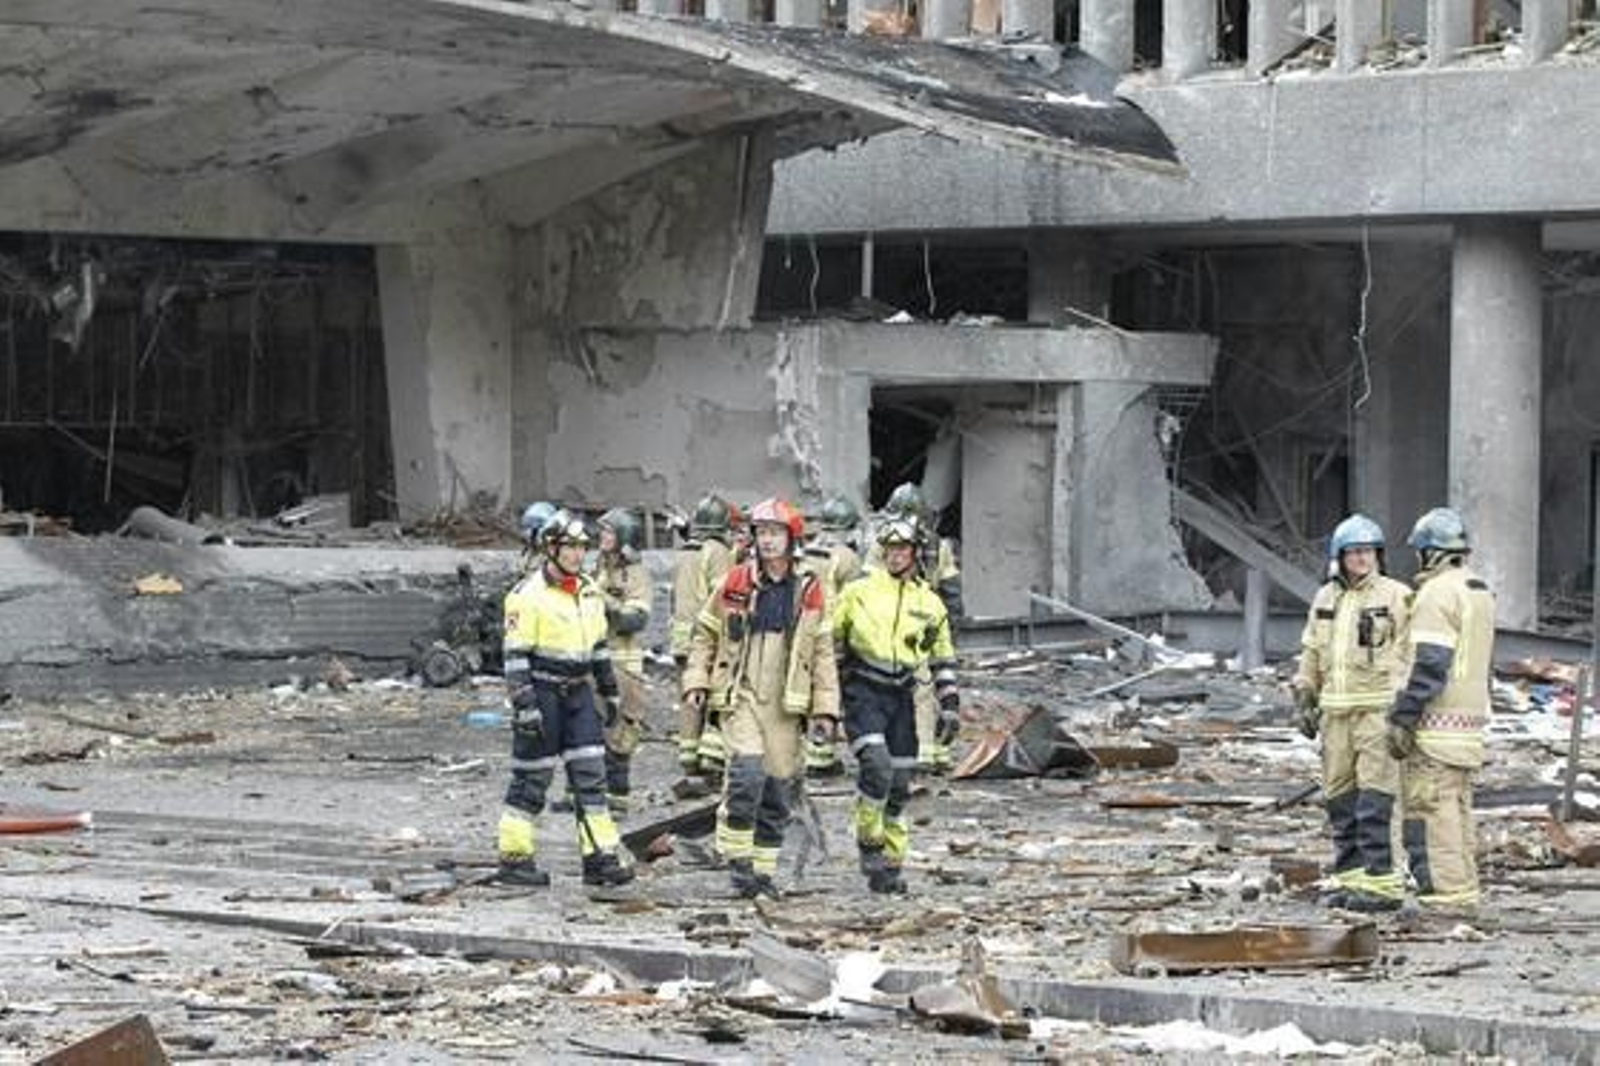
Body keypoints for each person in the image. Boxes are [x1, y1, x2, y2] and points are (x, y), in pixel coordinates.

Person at [681, 498, 839, 898]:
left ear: (791, 539)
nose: (767, 541)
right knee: (746, 775)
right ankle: (737, 864)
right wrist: (696, 681)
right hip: (742, 695)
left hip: (786, 705)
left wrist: (825, 709)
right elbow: (705, 635)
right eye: (762, 533)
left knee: (777, 792)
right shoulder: (735, 582)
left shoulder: (809, 590)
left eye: (775, 533)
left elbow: (822, 653)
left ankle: (762, 873)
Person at [495, 509, 634, 888]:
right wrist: (525, 706)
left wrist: (609, 692)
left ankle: (600, 858)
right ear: (551, 548)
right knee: (531, 780)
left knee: (591, 779)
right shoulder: (526, 596)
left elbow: (599, 648)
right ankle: (514, 860)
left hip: (578, 693)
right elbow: (515, 658)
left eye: (582, 547)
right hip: (542, 693)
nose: (577, 554)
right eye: (569, 547)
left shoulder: (588, 590)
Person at [1291, 514, 1412, 912]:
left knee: (1376, 801)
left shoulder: (1396, 596)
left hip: (1376, 713)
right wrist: (1304, 693)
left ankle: (1382, 887)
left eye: (1368, 551)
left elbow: (1407, 654)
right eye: (1354, 552)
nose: (1362, 558)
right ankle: (1352, 883)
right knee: (1340, 802)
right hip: (1335, 716)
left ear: (1379, 555)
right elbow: (1312, 650)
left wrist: (1402, 709)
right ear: (1340, 557)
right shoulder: (1326, 598)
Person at [833, 513, 960, 894]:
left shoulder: (930, 603)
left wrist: (949, 704)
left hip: (902, 693)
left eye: (902, 549)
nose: (895, 555)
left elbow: (942, 656)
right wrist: (826, 697)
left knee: (900, 784)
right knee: (877, 767)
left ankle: (890, 864)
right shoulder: (859, 592)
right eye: (889, 549)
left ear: (915, 553)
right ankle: (868, 842)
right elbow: (830, 641)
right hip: (863, 690)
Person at [1387, 507, 1495, 913]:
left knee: (1430, 816)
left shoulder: (1437, 593)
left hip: (1435, 729)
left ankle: (1445, 900)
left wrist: (1404, 717)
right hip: (1467, 728)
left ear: (1430, 552)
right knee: (1456, 813)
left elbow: (1429, 662)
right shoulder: (1478, 590)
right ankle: (1462, 892)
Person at [869, 482, 963, 773]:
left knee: (914, 688)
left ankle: (921, 751)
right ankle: (929, 751)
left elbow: (867, 591)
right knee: (927, 686)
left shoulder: (883, 545)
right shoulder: (937, 547)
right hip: (914, 623)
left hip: (907, 624)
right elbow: (951, 595)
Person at [670, 494, 736, 782]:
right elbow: (724, 597)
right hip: (706, 635)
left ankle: (688, 756)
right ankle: (711, 758)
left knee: (689, 695)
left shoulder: (686, 551)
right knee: (714, 694)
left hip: (681, 637)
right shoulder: (718, 552)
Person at [594, 507, 652, 815]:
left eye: (609, 531)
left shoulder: (635, 574)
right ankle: (585, 795)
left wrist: (602, 599)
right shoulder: (600, 566)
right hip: (596, 659)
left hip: (623, 664)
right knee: (589, 729)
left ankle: (617, 798)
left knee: (620, 732)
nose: (602, 536)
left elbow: (635, 620)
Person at [802, 494, 863, 777]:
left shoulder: (807, 551)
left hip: (804, 633)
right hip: (832, 637)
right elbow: (856, 603)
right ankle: (821, 758)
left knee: (809, 692)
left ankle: (812, 755)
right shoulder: (848, 558)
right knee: (831, 694)